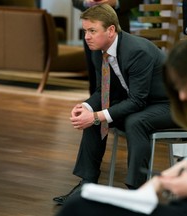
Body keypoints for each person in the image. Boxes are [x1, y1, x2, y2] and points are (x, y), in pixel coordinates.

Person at [56, 36, 187, 216]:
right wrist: (156, 184)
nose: (182, 95)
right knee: (80, 206)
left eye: (184, 85)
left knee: (80, 209)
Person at [53, 4, 178, 205]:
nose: (87, 37)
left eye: (92, 31)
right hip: (143, 102)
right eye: (85, 31)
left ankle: (138, 192)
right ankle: (87, 184)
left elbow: (137, 100)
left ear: (111, 30)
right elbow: (103, 92)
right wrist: (86, 108)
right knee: (94, 114)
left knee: (135, 121)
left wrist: (97, 116)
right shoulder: (98, 50)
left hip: (171, 105)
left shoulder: (137, 51)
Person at [72, 0, 143, 94]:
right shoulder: (89, 34)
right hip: (90, 22)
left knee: (118, 74)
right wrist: (86, 2)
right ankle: (95, 106)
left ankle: (117, 105)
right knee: (95, 73)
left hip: (118, 23)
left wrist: (116, 2)